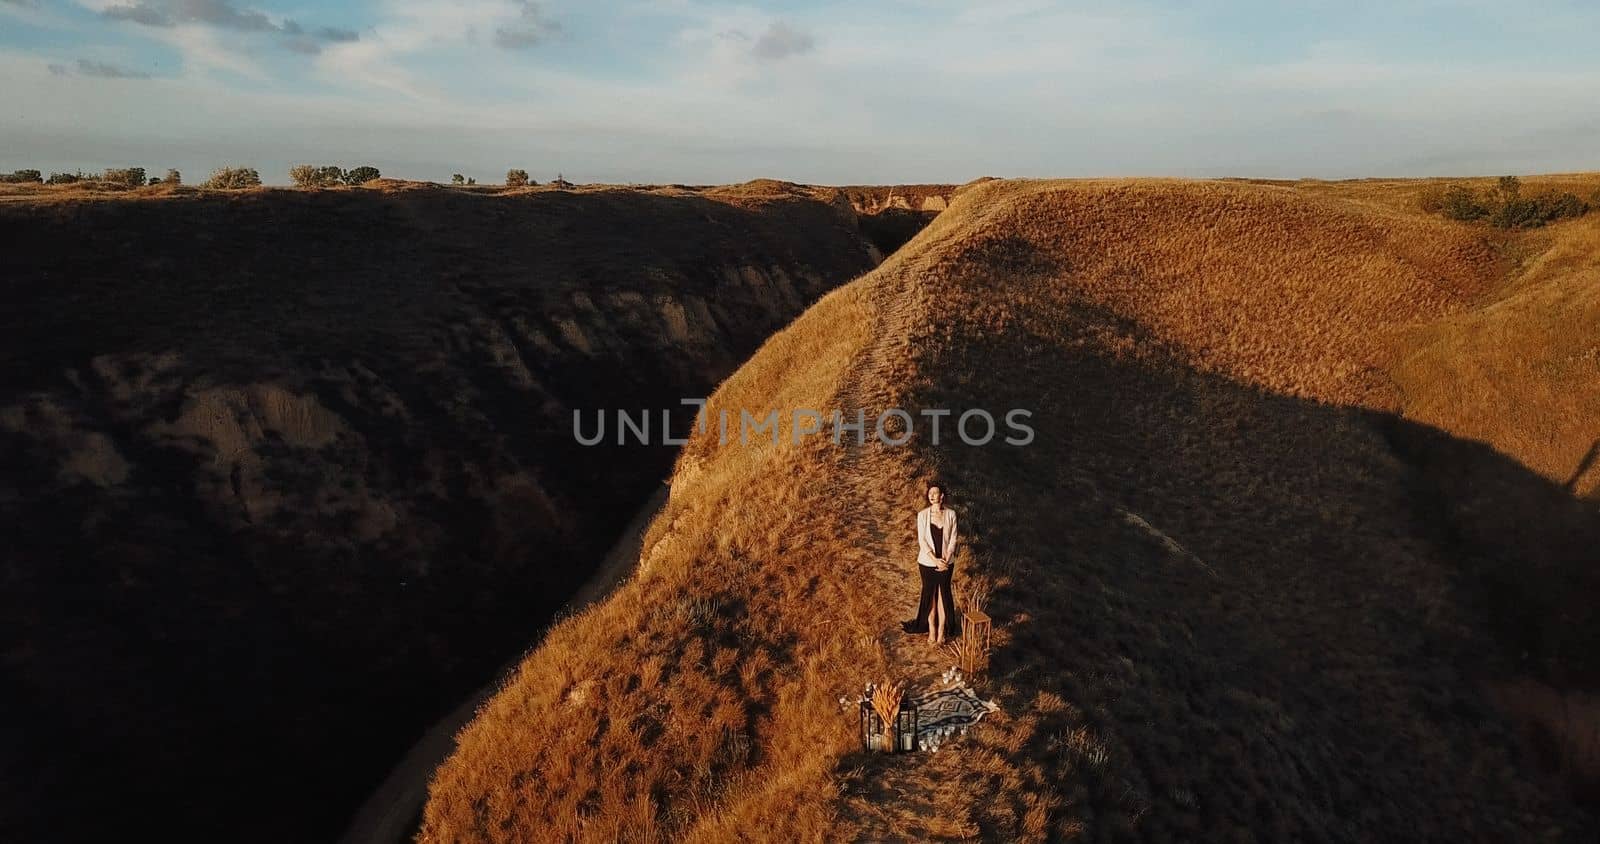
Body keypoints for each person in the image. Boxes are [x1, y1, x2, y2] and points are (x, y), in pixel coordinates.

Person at [901, 483, 958, 644]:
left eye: (935, 493)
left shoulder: (951, 514)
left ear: (942, 496)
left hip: (947, 562)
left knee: (943, 595)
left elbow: (953, 538)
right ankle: (931, 630)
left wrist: (946, 558)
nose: (932, 495)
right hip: (927, 563)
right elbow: (923, 541)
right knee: (930, 595)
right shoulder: (922, 515)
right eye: (930, 493)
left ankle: (941, 631)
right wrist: (935, 560)